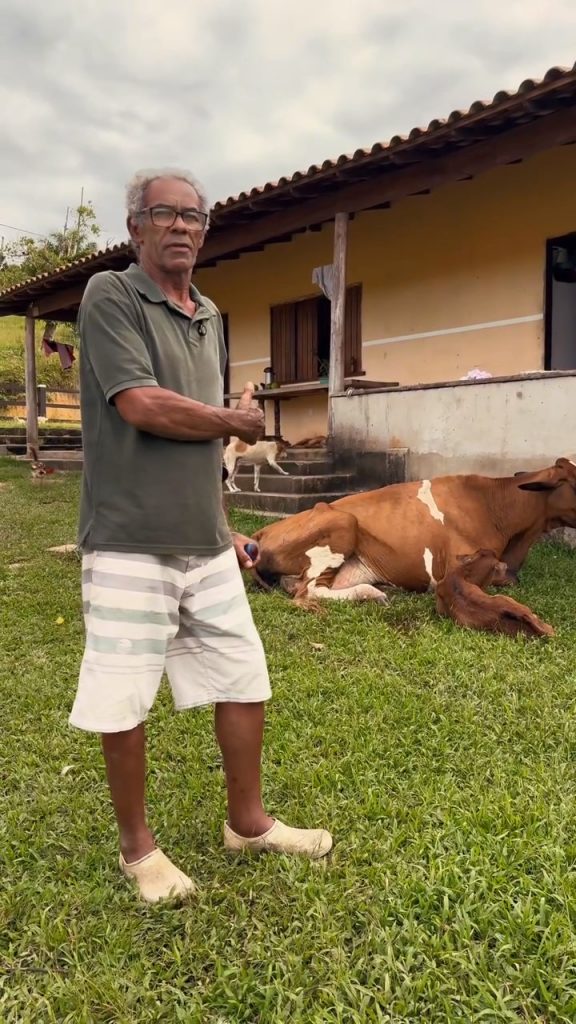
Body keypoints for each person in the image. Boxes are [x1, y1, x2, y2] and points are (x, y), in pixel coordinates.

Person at [69, 168, 332, 902]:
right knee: (125, 695)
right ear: (136, 227)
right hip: (128, 539)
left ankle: (247, 823)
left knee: (243, 675)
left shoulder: (209, 314)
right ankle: (139, 850)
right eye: (165, 213)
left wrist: (225, 527)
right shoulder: (111, 295)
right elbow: (142, 405)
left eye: (194, 215)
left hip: (206, 545)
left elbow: (198, 442)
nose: (182, 226)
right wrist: (234, 420)